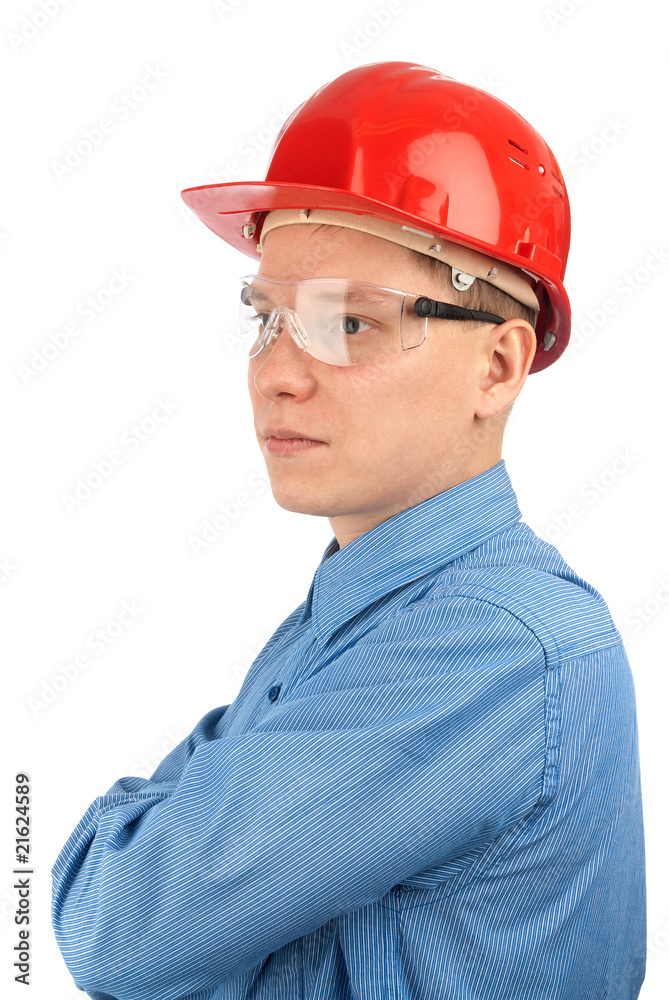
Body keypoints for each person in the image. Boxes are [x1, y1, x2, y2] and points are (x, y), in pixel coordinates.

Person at [51, 61, 646, 1000]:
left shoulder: (487, 645)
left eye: (347, 324)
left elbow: (117, 927)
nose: (275, 373)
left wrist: (141, 831)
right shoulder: (360, 610)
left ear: (497, 366)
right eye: (268, 319)